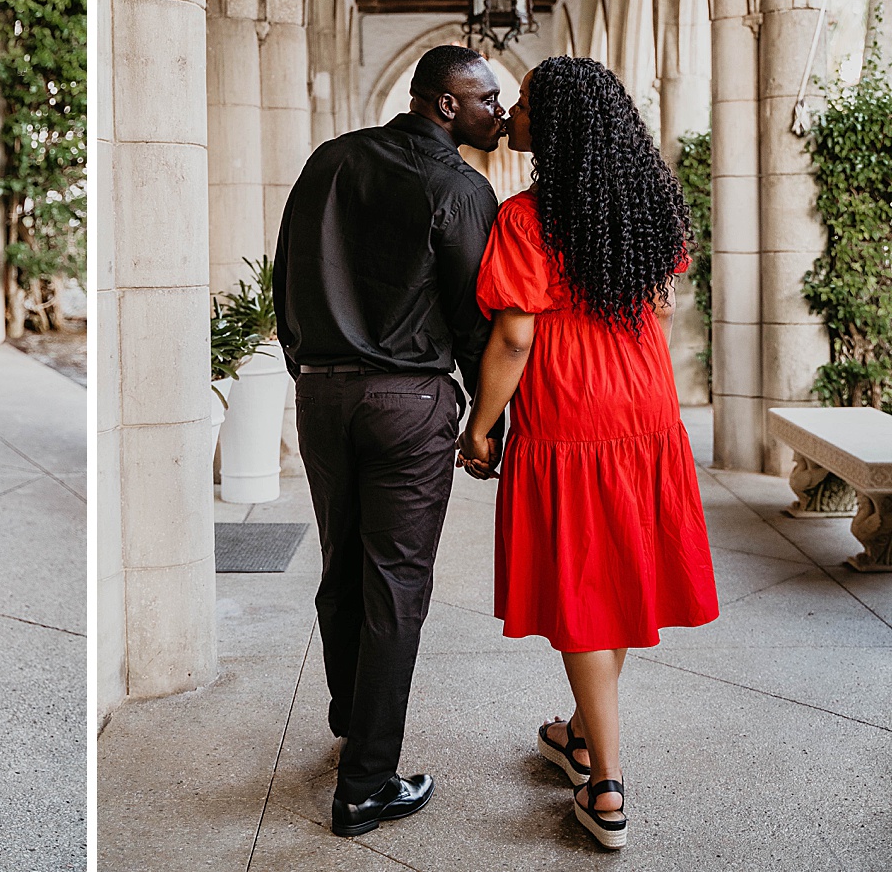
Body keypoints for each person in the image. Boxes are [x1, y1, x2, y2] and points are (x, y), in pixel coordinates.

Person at [459, 55, 719, 852]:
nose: (516, 115)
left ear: (561, 126)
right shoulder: (645, 203)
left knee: (580, 584)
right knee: (613, 571)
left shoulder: (529, 218)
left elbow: (514, 333)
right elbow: (662, 307)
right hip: (644, 407)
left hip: (570, 412)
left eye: (528, 104)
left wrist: (482, 421)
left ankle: (604, 785)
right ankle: (577, 731)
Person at [272, 44, 506, 838]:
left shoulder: (330, 160)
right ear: (445, 103)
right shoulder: (463, 188)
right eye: (486, 98)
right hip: (408, 401)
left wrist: (309, 366)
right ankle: (368, 784)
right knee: (396, 586)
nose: (498, 111)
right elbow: (478, 320)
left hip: (322, 394)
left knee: (342, 567)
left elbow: (285, 281)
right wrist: (487, 422)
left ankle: (352, 722)